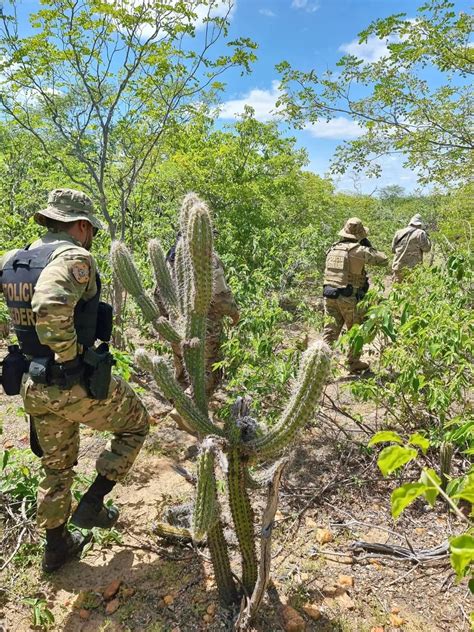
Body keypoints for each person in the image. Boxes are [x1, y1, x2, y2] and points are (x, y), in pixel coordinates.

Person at [0, 188, 150, 572]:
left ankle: (56, 546)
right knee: (136, 425)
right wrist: (68, 360)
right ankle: (93, 503)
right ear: (81, 226)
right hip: (71, 381)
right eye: (91, 231)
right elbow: (49, 305)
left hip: (34, 384)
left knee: (56, 466)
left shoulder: (13, 259)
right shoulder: (74, 257)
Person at [161, 234, 240, 395]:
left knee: (182, 371)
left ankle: (181, 407)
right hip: (204, 327)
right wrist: (234, 313)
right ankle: (192, 411)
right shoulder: (209, 258)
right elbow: (220, 297)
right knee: (210, 370)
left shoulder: (170, 258)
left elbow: (159, 293)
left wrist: (166, 322)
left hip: (176, 326)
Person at [322, 217, 388, 372]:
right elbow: (383, 260)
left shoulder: (333, 248)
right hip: (348, 296)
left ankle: (321, 363)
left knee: (330, 332)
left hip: (329, 294)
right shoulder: (359, 251)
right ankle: (353, 361)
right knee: (356, 329)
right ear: (360, 234)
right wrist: (366, 243)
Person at [391, 214, 431, 282]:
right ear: (419, 224)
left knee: (398, 290)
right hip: (413, 269)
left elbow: (393, 249)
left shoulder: (398, 232)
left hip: (398, 266)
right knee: (412, 290)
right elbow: (426, 249)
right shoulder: (420, 233)